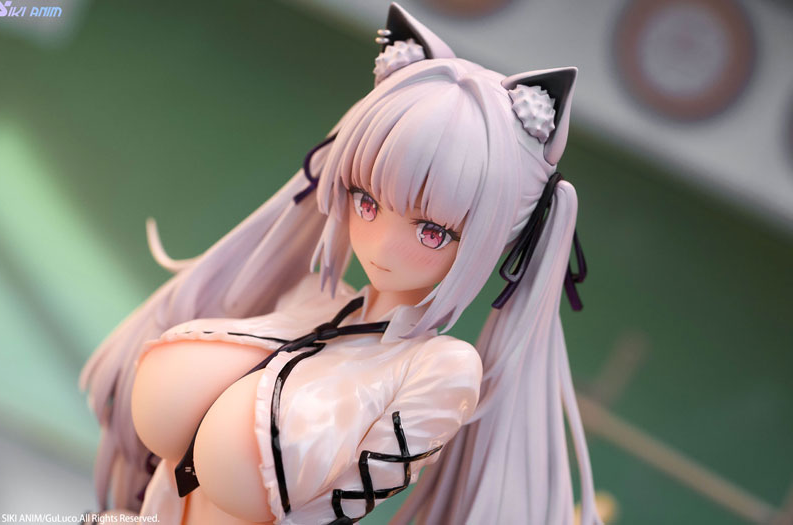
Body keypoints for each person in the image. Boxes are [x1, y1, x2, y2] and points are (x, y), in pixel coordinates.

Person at [80, 3, 600, 524]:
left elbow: (331, 512)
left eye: (432, 232)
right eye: (366, 202)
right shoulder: (310, 298)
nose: (382, 245)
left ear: (490, 240)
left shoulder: (440, 369)